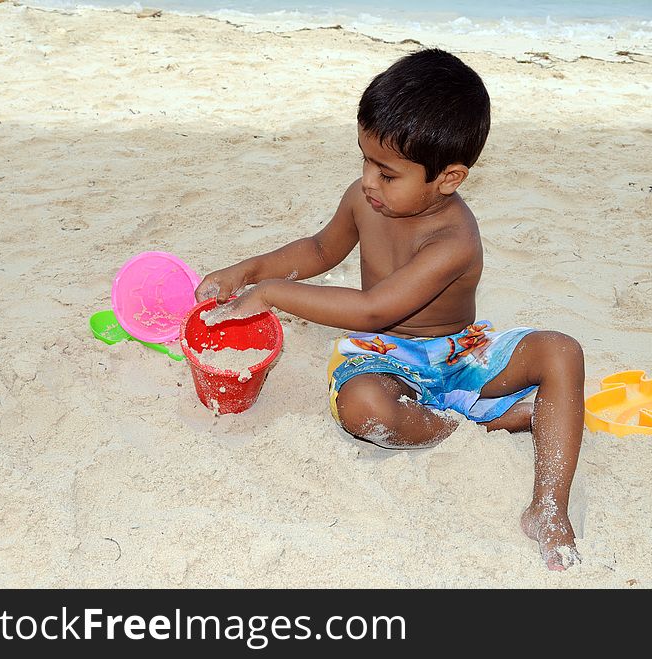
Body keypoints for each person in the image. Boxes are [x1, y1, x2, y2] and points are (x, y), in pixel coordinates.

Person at [195, 48, 585, 570]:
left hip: (459, 356)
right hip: (383, 358)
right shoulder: (363, 198)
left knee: (561, 352)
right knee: (364, 410)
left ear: (447, 178)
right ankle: (477, 426)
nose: (369, 182)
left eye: (388, 173)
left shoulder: (454, 238)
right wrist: (246, 272)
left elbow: (374, 307)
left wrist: (269, 294)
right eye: (365, 160)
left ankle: (549, 506)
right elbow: (317, 252)